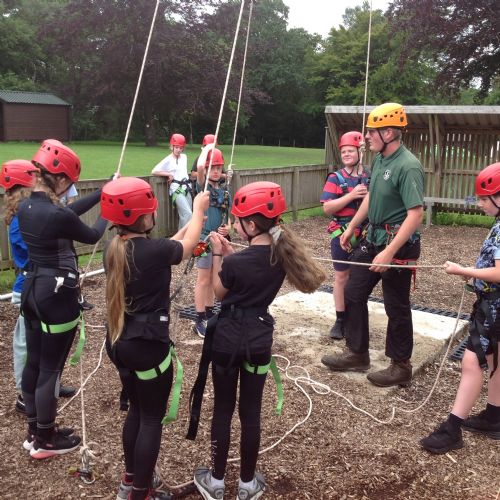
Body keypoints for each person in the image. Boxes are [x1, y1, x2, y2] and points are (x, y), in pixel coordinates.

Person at [192, 181, 326, 500]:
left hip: (227, 341)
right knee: (251, 412)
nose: (235, 225)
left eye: (238, 221)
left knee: (223, 409)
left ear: (251, 225)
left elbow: (220, 292)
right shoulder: (280, 258)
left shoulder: (236, 262)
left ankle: (216, 480)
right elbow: (250, 270)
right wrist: (230, 256)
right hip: (258, 339)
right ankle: (247, 483)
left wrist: (218, 255)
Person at [101, 177, 209, 500]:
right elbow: (185, 246)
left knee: (137, 410)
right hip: (147, 346)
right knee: (151, 418)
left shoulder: (116, 247)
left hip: (120, 342)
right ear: (144, 217)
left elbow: (167, 248)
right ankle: (140, 493)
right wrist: (198, 211)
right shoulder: (152, 250)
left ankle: (130, 482)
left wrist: (187, 226)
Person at [321, 102, 424, 388]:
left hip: (398, 245)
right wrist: (351, 227)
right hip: (373, 238)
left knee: (396, 305)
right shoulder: (380, 160)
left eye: (372, 131)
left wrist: (389, 252)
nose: (366, 137)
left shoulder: (408, 166)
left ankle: (401, 365)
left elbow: (416, 214)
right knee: (353, 292)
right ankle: (357, 353)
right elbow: (371, 197)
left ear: (388, 133)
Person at [18, 139, 107, 459]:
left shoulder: (27, 205)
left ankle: (35, 431)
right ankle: (45, 440)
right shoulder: (55, 214)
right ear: (61, 178)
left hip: (32, 291)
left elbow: (67, 214)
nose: (70, 188)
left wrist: (102, 192)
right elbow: (93, 235)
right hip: (56, 294)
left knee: (35, 362)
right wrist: (109, 207)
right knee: (50, 369)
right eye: (70, 183)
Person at [420, 162, 500, 454]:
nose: (479, 203)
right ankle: (494, 415)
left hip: (494, 308)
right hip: (494, 305)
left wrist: (463, 270)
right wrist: (474, 275)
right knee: (496, 358)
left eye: (484, 198)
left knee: (471, 362)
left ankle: (452, 429)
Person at [0, 160, 78, 415]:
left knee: (44, 344)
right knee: (27, 345)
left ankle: (48, 383)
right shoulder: (23, 218)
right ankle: (25, 394)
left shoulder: (30, 211)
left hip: (39, 284)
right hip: (31, 286)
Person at [320, 131, 369, 340]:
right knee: (341, 276)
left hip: (365, 233)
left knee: (360, 278)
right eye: (344, 152)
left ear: (360, 152)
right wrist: (351, 195)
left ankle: (355, 317)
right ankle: (340, 319)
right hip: (341, 232)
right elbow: (327, 208)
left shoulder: (369, 176)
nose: (347, 154)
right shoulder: (335, 178)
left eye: (351, 151)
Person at [192, 145, 231, 338]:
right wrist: (207, 149)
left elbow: (229, 218)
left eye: (218, 168)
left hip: (218, 240)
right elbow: (199, 168)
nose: (215, 171)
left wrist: (228, 228)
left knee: (214, 278)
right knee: (203, 278)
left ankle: (208, 312)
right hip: (203, 239)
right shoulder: (203, 188)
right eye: (212, 168)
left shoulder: (225, 192)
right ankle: (199, 319)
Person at [151, 133, 192, 229]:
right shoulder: (168, 160)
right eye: (176, 147)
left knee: (187, 215)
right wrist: (168, 174)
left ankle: (182, 236)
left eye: (181, 148)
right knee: (188, 213)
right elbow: (154, 171)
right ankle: (183, 237)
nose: (178, 150)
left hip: (187, 188)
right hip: (176, 190)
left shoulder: (184, 157)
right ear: (172, 147)